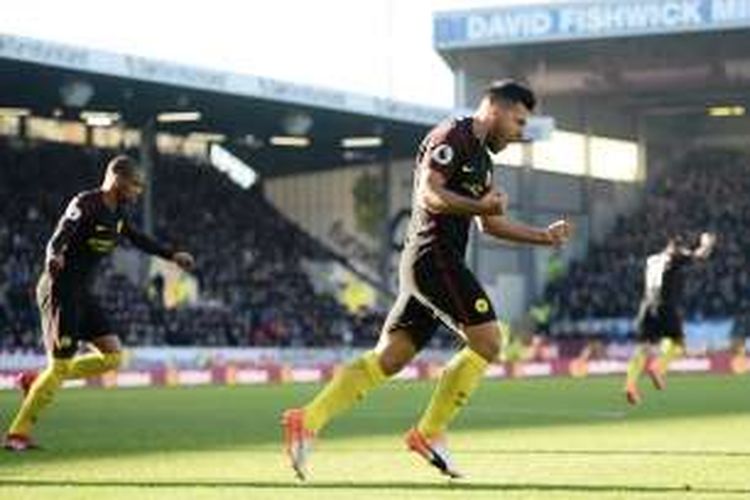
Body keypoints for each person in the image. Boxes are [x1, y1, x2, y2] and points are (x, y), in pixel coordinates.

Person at [282, 80, 573, 479]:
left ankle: (307, 419)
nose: (520, 132)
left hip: (431, 265)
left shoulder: (484, 161)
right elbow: (428, 195)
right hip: (433, 258)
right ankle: (429, 432)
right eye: (519, 121)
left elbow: (489, 223)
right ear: (496, 108)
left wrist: (543, 236)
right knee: (488, 341)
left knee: (390, 357)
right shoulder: (451, 136)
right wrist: (477, 204)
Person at [4, 155, 195, 451]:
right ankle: (17, 433)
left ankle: (40, 381)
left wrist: (171, 255)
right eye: (134, 186)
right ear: (118, 178)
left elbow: (138, 239)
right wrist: (53, 257)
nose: (137, 192)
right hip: (59, 290)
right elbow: (59, 236)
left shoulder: (117, 214)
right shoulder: (86, 203)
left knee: (113, 357)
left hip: (82, 294)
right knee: (61, 366)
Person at [624, 232, 716, 405]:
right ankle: (658, 368)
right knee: (678, 343)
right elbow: (700, 255)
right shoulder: (675, 256)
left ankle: (630, 385)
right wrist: (707, 243)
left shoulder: (651, 259)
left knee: (643, 348)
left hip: (646, 307)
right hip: (665, 306)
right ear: (677, 247)